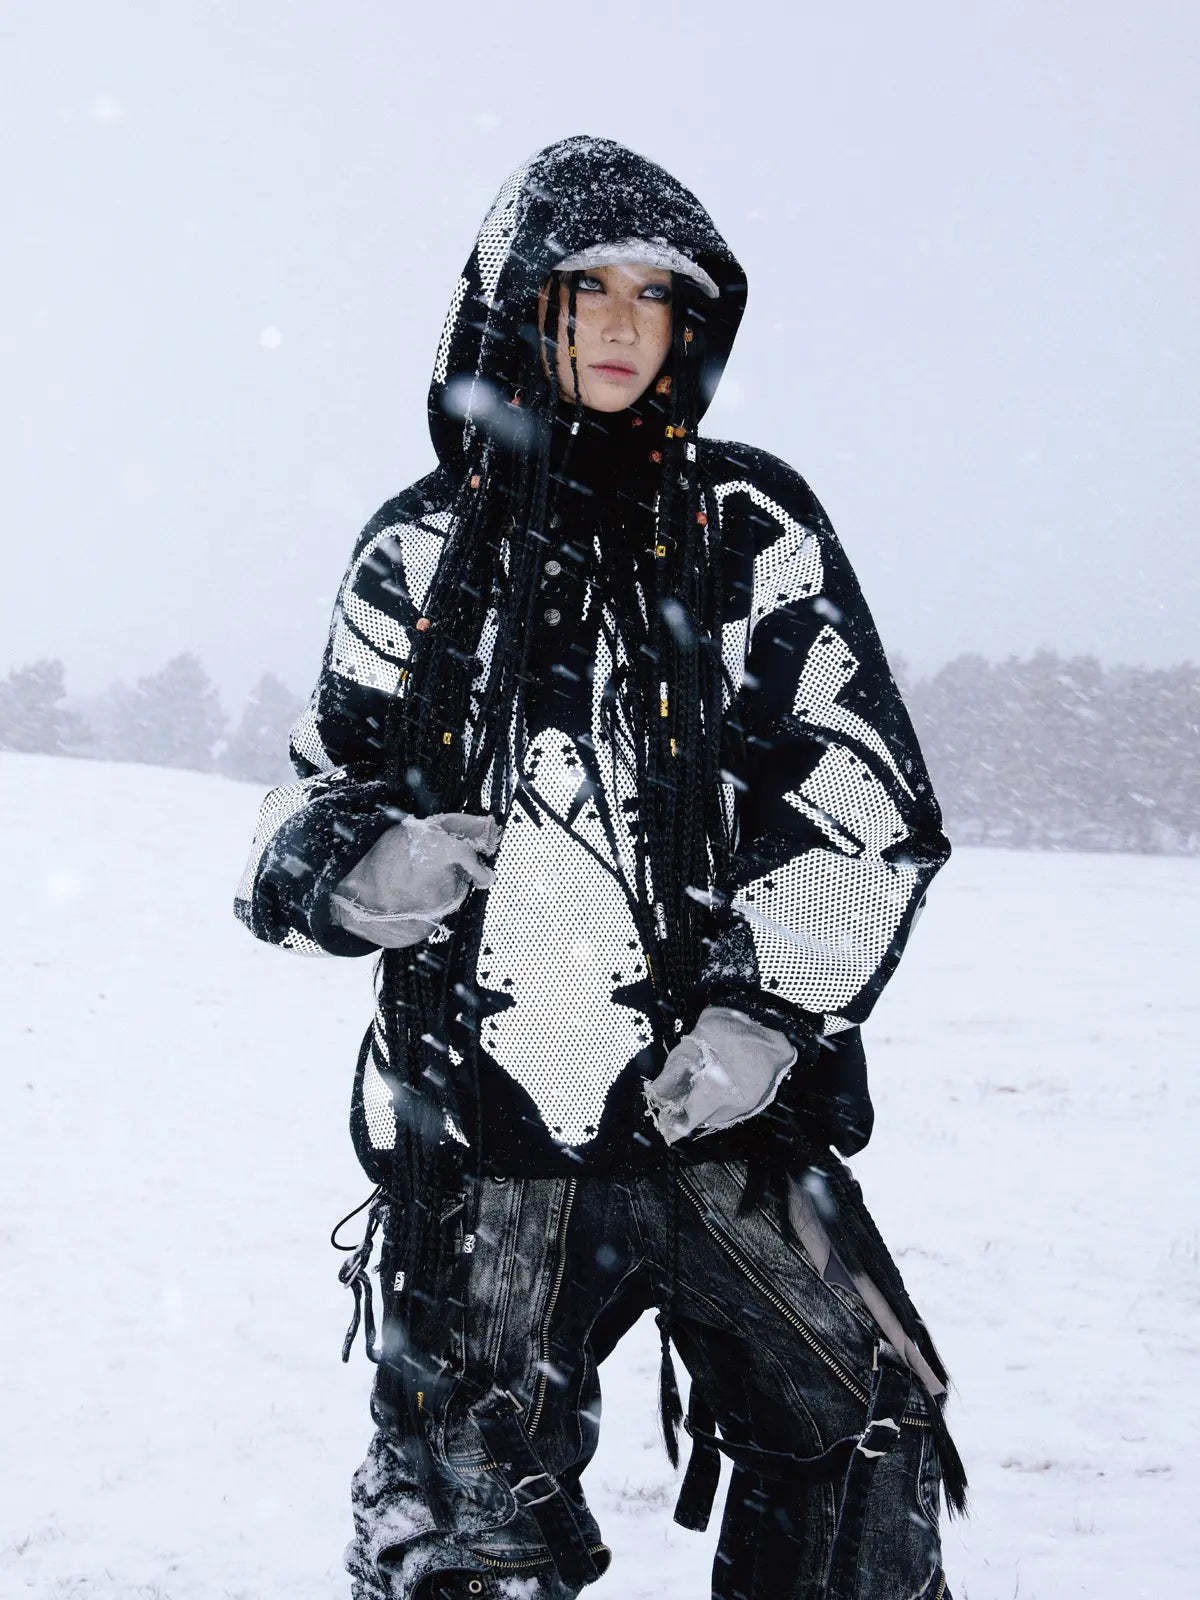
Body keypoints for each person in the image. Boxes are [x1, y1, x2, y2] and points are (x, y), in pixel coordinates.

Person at [234, 134, 965, 1600]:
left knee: (863, 1421)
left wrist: (763, 1014)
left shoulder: (750, 529)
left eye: (658, 294)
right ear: (521, 304)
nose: (628, 324)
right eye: (590, 288)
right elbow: (310, 791)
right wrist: (359, 867)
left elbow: (856, 792)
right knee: (464, 1517)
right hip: (480, 1132)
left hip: (721, 1124)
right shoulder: (417, 552)